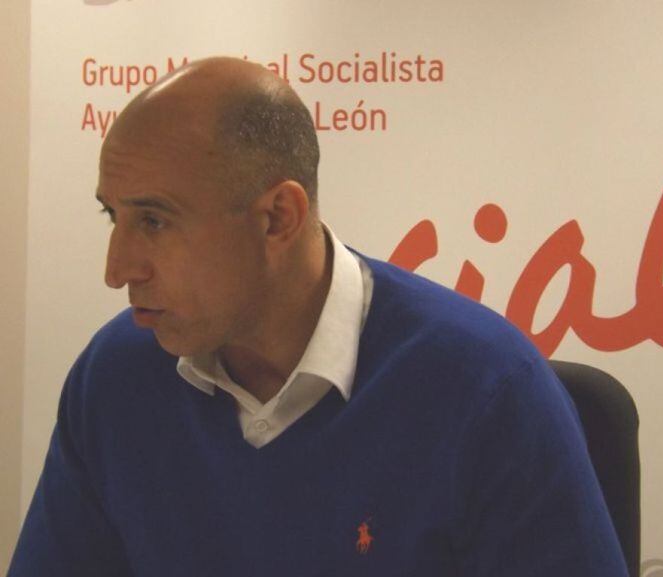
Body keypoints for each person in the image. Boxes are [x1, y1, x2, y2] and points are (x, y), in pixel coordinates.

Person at [9, 57, 628, 576]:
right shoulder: (115, 376)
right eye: (111, 216)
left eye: (154, 220)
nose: (117, 269)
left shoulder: (488, 390)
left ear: (278, 217)